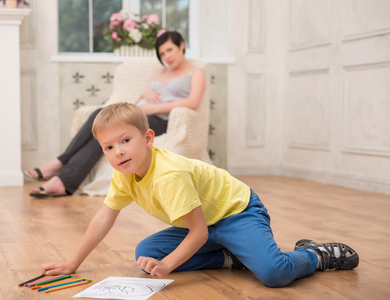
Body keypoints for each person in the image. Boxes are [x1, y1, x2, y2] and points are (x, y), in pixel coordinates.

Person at [40, 102, 359, 287]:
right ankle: (230, 256)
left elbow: (197, 232)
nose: (118, 152)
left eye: (125, 141)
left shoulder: (169, 175)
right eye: (109, 147)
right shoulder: (124, 174)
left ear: (148, 138)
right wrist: (72, 263)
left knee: (273, 273)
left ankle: (318, 254)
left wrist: (167, 268)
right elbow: (103, 218)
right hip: (206, 224)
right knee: (146, 252)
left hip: (238, 212)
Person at [25, 31, 206, 198]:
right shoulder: (160, 72)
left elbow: (193, 102)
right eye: (163, 54)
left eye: (170, 50)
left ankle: (60, 171)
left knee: (110, 129)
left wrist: (153, 109)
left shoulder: (195, 72)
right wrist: (144, 95)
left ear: (181, 45)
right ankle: (62, 174)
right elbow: (140, 101)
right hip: (139, 115)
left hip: (160, 120)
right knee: (100, 117)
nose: (167, 57)